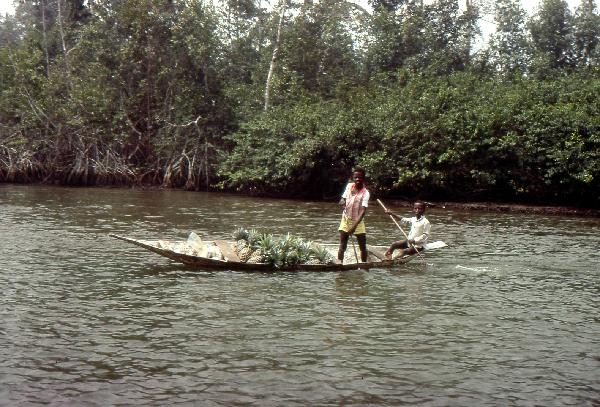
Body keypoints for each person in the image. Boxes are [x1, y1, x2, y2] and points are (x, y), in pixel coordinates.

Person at [338, 168, 370, 263]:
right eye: (356, 177)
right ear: (353, 178)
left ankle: (364, 265)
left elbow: (363, 211)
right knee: (343, 244)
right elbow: (343, 198)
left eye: (360, 177)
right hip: (346, 219)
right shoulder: (349, 186)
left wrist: (354, 226)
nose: (357, 179)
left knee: (362, 247)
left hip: (358, 222)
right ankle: (339, 263)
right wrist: (342, 200)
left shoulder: (365, 193)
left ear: (363, 178)